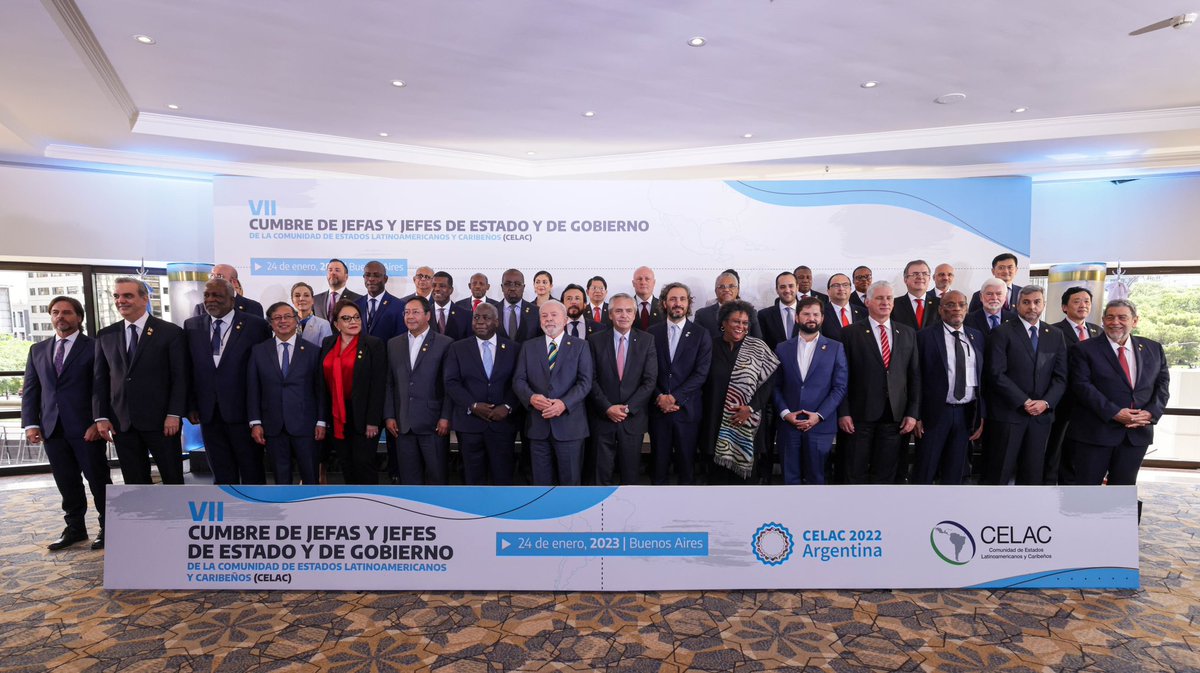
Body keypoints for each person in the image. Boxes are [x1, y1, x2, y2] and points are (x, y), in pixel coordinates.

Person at [22, 296, 111, 551]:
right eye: (55, 312)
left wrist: (98, 421)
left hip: (87, 429)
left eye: (67, 312)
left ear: (79, 318)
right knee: (66, 481)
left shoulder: (95, 346)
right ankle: (75, 529)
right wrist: (31, 424)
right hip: (52, 428)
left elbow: (101, 388)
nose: (61, 317)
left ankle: (109, 528)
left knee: (98, 480)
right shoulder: (37, 350)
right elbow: (31, 390)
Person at [94, 277, 188, 485]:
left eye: (128, 295)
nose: (121, 301)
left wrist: (174, 414)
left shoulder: (170, 332)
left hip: (162, 422)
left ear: (145, 299)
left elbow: (180, 377)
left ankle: (176, 518)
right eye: (117, 296)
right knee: (134, 483)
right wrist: (100, 416)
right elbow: (100, 380)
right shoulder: (105, 335)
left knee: (172, 478)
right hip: (122, 423)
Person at [1067, 299, 1170, 486]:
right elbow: (1081, 386)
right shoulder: (1083, 349)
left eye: (1122, 317)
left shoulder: (1153, 348)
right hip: (1095, 432)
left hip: (1136, 434)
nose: (1115, 322)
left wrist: (1151, 413)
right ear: (1103, 320)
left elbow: (1162, 385)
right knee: (1084, 490)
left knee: (1123, 489)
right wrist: (1114, 413)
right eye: (1110, 317)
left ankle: (1116, 517)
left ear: (1135, 321)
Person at [184, 278, 272, 485]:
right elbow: (188, 369)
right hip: (209, 413)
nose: (210, 300)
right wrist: (191, 405)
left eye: (217, 296)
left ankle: (256, 514)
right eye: (207, 295)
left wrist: (260, 413)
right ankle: (229, 515)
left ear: (232, 300)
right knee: (221, 472)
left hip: (244, 413)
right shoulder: (192, 326)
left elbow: (263, 370)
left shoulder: (256, 325)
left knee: (251, 470)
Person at [837, 281, 920, 484]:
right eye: (879, 298)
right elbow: (841, 377)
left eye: (889, 298)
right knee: (854, 471)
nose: (885, 302)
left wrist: (912, 413)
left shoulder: (907, 333)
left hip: (895, 416)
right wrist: (844, 412)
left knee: (886, 473)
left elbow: (914, 376)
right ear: (867, 302)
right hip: (859, 415)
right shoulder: (849, 333)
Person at [984, 286, 1068, 485]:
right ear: (1017, 305)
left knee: (1033, 474)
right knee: (999, 472)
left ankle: (1027, 514)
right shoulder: (1001, 332)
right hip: (1009, 415)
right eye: (1026, 302)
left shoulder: (1055, 334)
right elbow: (996, 373)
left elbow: (1061, 377)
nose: (1032, 307)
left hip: (1041, 417)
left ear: (1044, 304)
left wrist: (1045, 403)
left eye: (1037, 302)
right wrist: (1025, 401)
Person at [512, 300, 594, 485]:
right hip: (538, 427)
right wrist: (531, 397)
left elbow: (585, 382)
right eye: (544, 315)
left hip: (570, 428)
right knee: (541, 486)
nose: (549, 319)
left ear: (565, 320)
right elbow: (518, 380)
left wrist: (564, 404)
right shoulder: (528, 346)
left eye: (554, 315)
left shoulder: (581, 346)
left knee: (570, 484)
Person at [700, 300, 780, 484]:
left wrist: (751, 408)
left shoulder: (758, 347)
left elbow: (770, 382)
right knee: (716, 484)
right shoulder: (709, 346)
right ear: (723, 323)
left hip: (747, 426)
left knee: (746, 488)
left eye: (745, 323)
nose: (741, 326)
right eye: (736, 321)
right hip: (715, 423)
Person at [247, 302, 327, 485]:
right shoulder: (259, 351)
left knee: (310, 478)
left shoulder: (313, 351)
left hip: (306, 425)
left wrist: (321, 421)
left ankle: (311, 513)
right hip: (273, 426)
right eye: (277, 318)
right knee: (281, 480)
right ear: (270, 323)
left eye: (287, 316)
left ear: (297, 320)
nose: (283, 321)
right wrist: (255, 422)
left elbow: (320, 390)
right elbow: (253, 389)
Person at [773, 297, 847, 485]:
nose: (811, 318)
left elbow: (840, 387)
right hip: (789, 425)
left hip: (820, 426)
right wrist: (786, 414)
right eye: (806, 314)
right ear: (797, 317)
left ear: (822, 318)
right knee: (790, 480)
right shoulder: (782, 348)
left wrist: (819, 415)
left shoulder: (835, 348)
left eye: (816, 314)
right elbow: (774, 386)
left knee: (818, 479)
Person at [913, 290, 984, 485]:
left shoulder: (976, 336)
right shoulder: (924, 337)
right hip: (934, 414)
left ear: (967, 308)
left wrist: (981, 416)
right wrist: (916, 414)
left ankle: (949, 511)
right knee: (925, 469)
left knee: (956, 471)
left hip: (965, 414)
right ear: (940, 309)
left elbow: (982, 379)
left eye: (961, 304)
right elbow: (916, 378)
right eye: (950, 305)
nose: (956, 309)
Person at [444, 303, 520, 485]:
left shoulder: (514, 348)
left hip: (502, 425)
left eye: (486, 318)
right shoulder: (458, 348)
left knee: (502, 479)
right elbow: (451, 382)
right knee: (471, 479)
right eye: (476, 317)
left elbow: (518, 382)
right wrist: (473, 405)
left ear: (497, 322)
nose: (480, 322)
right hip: (470, 426)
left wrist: (508, 406)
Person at [587, 294, 657, 485]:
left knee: (631, 475)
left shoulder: (647, 340)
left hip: (632, 419)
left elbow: (649, 381)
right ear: (610, 315)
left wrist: (627, 408)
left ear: (634, 315)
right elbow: (590, 379)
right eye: (618, 310)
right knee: (600, 474)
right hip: (603, 417)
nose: (623, 315)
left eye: (628, 311)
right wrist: (607, 408)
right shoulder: (595, 340)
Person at [384, 297, 454, 485]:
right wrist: (389, 415)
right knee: (409, 480)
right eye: (406, 312)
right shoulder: (393, 344)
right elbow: (390, 382)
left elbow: (449, 385)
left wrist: (445, 416)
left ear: (428, 315)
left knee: (437, 478)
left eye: (415, 312)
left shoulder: (445, 343)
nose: (410, 316)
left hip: (433, 424)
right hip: (403, 424)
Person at [648, 282, 712, 485]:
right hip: (658, 412)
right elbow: (647, 372)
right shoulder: (651, 333)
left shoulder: (701, 334)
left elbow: (701, 374)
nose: (678, 303)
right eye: (673, 299)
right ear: (665, 303)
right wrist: (660, 397)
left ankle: (688, 515)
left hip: (687, 411)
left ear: (688, 303)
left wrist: (674, 397)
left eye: (682, 299)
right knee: (658, 469)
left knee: (687, 469)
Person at [320, 300, 386, 485]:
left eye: (356, 317)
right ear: (336, 324)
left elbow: (378, 385)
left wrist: (373, 421)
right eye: (346, 318)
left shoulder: (373, 344)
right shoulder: (328, 342)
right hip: (337, 414)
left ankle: (371, 505)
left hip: (364, 416)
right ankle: (353, 506)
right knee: (346, 463)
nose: (353, 321)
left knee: (363, 462)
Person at [1046, 286, 1102, 484]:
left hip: (1091, 405)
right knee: (1056, 450)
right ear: (1064, 307)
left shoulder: (1097, 331)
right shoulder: (1052, 331)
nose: (1083, 305)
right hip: (1064, 402)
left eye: (1086, 301)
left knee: (1083, 454)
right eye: (1077, 301)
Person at [694, 271, 762, 339]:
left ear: (737, 290)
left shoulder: (750, 312)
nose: (726, 290)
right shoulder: (702, 315)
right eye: (721, 287)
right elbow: (695, 341)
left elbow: (758, 340)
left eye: (731, 286)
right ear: (716, 291)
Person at [191, 263, 264, 318]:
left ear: (234, 282)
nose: (214, 279)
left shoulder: (253, 307)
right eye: (212, 276)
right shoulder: (201, 308)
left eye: (219, 276)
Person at [357, 261, 405, 343]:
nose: (371, 279)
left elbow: (400, 339)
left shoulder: (399, 306)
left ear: (385, 279)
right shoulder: (356, 304)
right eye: (367, 275)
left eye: (376, 275)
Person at [892, 259, 938, 331]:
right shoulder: (893, 305)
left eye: (924, 274)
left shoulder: (940, 304)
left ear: (929, 278)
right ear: (905, 279)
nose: (920, 277)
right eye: (915, 274)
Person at [497, 268, 542, 342]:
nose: (512, 288)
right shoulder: (493, 311)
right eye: (508, 284)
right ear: (502, 287)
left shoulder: (536, 312)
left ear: (523, 287)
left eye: (517, 284)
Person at [759, 272, 799, 352]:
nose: (787, 290)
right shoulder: (764, 315)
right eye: (782, 287)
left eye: (791, 286)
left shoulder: (808, 314)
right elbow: (761, 346)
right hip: (774, 363)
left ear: (797, 287)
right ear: (777, 290)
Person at [821, 273, 867, 342]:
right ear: (828, 291)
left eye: (845, 285)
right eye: (836, 285)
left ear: (850, 289)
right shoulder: (821, 313)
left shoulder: (864, 313)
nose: (841, 288)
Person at [431, 271, 471, 340]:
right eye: (434, 285)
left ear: (451, 290)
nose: (437, 289)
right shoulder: (424, 313)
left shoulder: (466, 315)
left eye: (442, 286)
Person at [292, 282, 332, 346]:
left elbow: (325, 352)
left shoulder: (323, 325)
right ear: (292, 300)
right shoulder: (287, 324)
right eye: (297, 296)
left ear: (313, 300)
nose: (301, 299)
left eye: (306, 295)